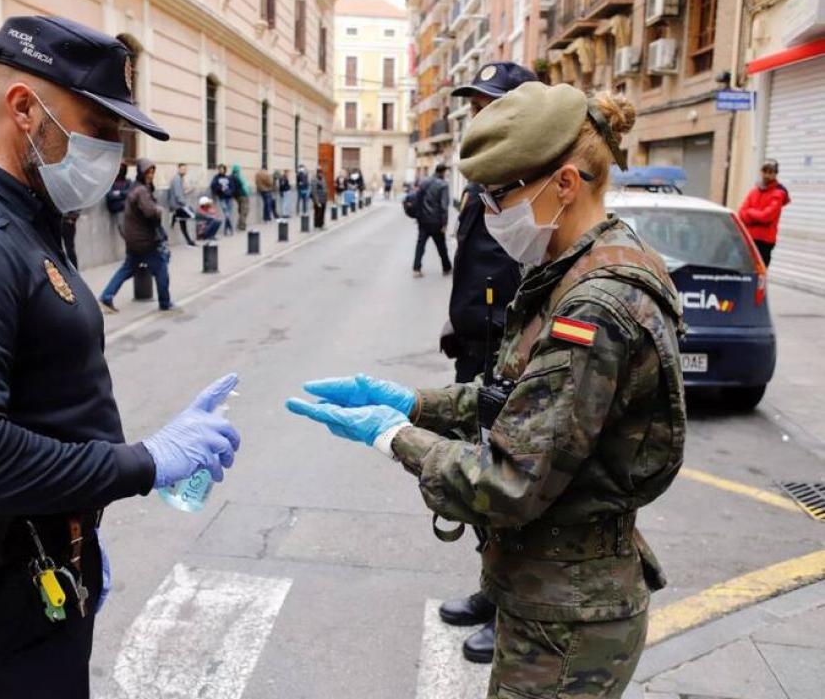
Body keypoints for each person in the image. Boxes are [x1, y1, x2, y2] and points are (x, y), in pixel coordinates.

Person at [287, 82, 685, 699]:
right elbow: (516, 401)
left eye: (500, 196)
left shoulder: (596, 306)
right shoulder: (581, 264)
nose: (491, 213)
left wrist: (397, 438)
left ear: (564, 185)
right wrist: (415, 403)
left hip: (568, 616)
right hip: (552, 595)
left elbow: (508, 482)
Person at [0, 15, 240, 699]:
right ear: (24, 109)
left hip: (40, 559)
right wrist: (144, 460)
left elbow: (44, 392)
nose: (111, 150)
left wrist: (81, 522)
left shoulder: (21, 217)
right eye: (99, 130)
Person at [436, 62, 539, 664]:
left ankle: (511, 609)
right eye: (475, 103)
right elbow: (476, 264)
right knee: (480, 481)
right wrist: (459, 319)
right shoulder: (486, 178)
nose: (479, 114)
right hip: (478, 348)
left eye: (491, 104)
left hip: (508, 353)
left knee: (504, 484)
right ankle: (491, 589)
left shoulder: (529, 182)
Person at [100, 158, 176, 312]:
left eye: (153, 171)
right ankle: (165, 303)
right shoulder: (141, 191)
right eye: (148, 172)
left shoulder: (137, 188)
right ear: (142, 172)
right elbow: (149, 212)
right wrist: (159, 210)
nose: (151, 175)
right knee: (161, 269)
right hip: (145, 241)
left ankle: (106, 297)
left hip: (135, 241)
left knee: (127, 269)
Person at [738, 159, 790, 267]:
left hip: (764, 241)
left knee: (759, 273)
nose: (767, 175)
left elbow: (766, 217)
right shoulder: (754, 191)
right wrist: (755, 215)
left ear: (775, 174)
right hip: (749, 238)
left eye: (770, 172)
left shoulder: (778, 194)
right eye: (765, 171)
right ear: (761, 172)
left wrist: (750, 212)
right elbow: (741, 213)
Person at [413, 163, 452, 277]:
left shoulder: (424, 182)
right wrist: (444, 223)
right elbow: (444, 206)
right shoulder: (443, 185)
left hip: (423, 220)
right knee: (441, 246)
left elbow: (418, 200)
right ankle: (446, 268)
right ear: (443, 172)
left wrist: (418, 217)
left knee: (420, 245)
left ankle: (416, 269)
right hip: (436, 221)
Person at [169, 162, 197, 246]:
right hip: (178, 205)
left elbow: (181, 192)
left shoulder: (180, 178)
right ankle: (174, 217)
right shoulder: (177, 179)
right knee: (193, 215)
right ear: (178, 169)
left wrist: (189, 190)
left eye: (185, 169)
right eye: (182, 169)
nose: (184, 171)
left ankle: (189, 241)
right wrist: (184, 204)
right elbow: (178, 194)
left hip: (178, 205)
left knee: (183, 222)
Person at [106, 163, 131, 236]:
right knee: (124, 231)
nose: (121, 170)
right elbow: (110, 195)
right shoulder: (111, 182)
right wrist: (123, 195)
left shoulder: (128, 182)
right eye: (119, 168)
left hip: (128, 210)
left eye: (122, 168)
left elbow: (130, 192)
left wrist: (118, 193)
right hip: (118, 210)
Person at [210, 163, 234, 235]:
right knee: (226, 214)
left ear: (224, 170)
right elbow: (213, 186)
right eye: (219, 169)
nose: (220, 170)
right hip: (222, 198)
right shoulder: (216, 178)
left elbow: (233, 187)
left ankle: (226, 230)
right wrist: (220, 188)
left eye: (222, 169)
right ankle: (230, 227)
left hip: (229, 198)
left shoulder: (228, 178)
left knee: (228, 214)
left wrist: (230, 192)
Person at [231, 163, 251, 232]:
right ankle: (241, 225)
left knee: (241, 210)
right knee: (244, 211)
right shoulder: (238, 176)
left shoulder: (231, 176)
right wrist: (247, 192)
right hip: (243, 195)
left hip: (236, 196)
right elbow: (243, 186)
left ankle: (239, 224)